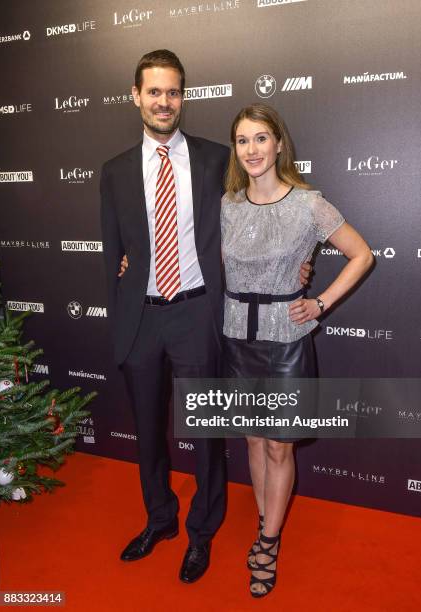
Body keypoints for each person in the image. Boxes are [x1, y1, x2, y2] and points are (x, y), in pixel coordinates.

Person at [104, 50, 311, 584]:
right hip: (142, 319)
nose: (164, 101)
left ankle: (201, 533)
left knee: (207, 435)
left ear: (183, 96)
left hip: (199, 312)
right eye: (154, 91)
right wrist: (125, 286)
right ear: (136, 96)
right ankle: (160, 520)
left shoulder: (220, 158)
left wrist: (299, 258)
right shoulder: (116, 171)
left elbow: (266, 209)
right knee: (149, 433)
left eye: (173, 91)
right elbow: (113, 254)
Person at [221, 103, 373, 598]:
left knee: (279, 444)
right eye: (243, 141)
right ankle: (267, 514)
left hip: (286, 340)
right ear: (236, 149)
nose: (253, 150)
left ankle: (268, 539)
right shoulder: (226, 204)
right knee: (251, 440)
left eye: (261, 138)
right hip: (237, 338)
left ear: (279, 143)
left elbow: (361, 254)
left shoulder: (310, 205)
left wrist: (321, 301)